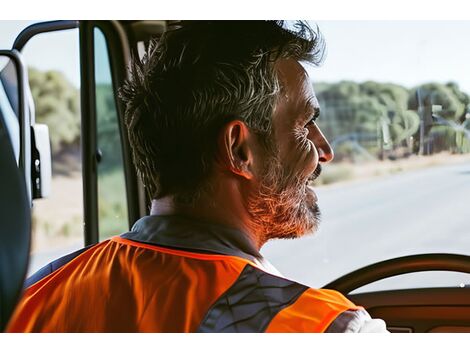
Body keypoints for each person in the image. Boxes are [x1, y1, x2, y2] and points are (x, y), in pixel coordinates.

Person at [7, 20, 387, 332]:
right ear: (240, 150)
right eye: (305, 125)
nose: (325, 151)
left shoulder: (28, 301)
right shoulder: (325, 328)